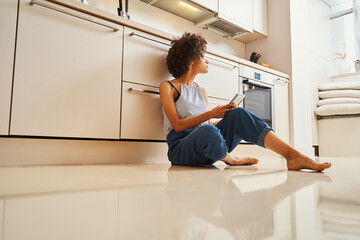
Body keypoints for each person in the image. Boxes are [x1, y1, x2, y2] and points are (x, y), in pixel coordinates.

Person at [159, 32, 331, 171]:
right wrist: (211, 113)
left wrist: (225, 116)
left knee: (237, 114)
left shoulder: (201, 90)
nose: (207, 60)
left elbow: (208, 122)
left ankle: (292, 155)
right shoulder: (167, 87)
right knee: (208, 131)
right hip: (181, 150)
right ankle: (230, 159)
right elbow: (178, 125)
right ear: (191, 61)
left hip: (207, 146)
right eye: (203, 56)